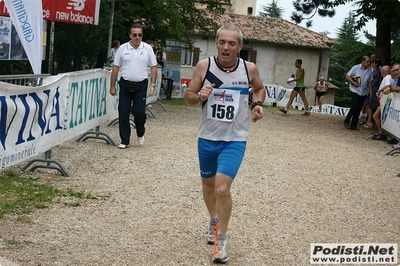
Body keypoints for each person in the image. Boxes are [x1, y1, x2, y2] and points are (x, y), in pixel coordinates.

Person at [184, 24, 265, 263]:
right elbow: (188, 97)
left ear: (240, 46)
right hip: (208, 138)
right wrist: (199, 96)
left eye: (232, 43)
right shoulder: (204, 66)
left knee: (221, 188)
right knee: (208, 186)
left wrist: (257, 105)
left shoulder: (249, 69)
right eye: (222, 42)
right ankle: (213, 220)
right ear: (216, 43)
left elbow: (259, 89)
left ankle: (222, 240)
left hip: (235, 139)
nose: (226, 47)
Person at [109, 24, 158, 149]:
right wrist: (112, 86)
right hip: (125, 84)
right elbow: (115, 67)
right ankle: (125, 140)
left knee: (139, 113)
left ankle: (140, 132)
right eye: (134, 35)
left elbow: (153, 67)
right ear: (130, 35)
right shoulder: (122, 49)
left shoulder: (147, 48)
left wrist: (152, 84)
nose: (137, 37)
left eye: (139, 35)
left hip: (141, 85)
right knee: (123, 112)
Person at [343, 56, 373, 130]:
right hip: (355, 90)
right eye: (367, 62)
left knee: (359, 107)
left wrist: (370, 90)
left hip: (363, 92)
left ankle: (354, 124)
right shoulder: (355, 68)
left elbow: (370, 81)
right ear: (363, 61)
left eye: (370, 62)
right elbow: (347, 76)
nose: (369, 63)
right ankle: (347, 120)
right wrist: (353, 82)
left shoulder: (369, 70)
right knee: (355, 105)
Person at [372, 65, 395, 140]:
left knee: (375, 116)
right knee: (381, 117)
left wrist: (379, 91)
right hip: (384, 99)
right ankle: (382, 131)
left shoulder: (387, 77)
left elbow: (387, 86)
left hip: (384, 99)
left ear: (383, 71)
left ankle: (381, 132)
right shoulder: (390, 78)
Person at [363, 58, 382, 128]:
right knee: (367, 104)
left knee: (371, 106)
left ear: (376, 64)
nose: (371, 64)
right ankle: (368, 120)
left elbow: (374, 81)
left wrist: (369, 86)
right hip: (370, 89)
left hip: (374, 90)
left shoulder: (377, 72)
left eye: (373, 63)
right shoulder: (371, 70)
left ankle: (370, 121)